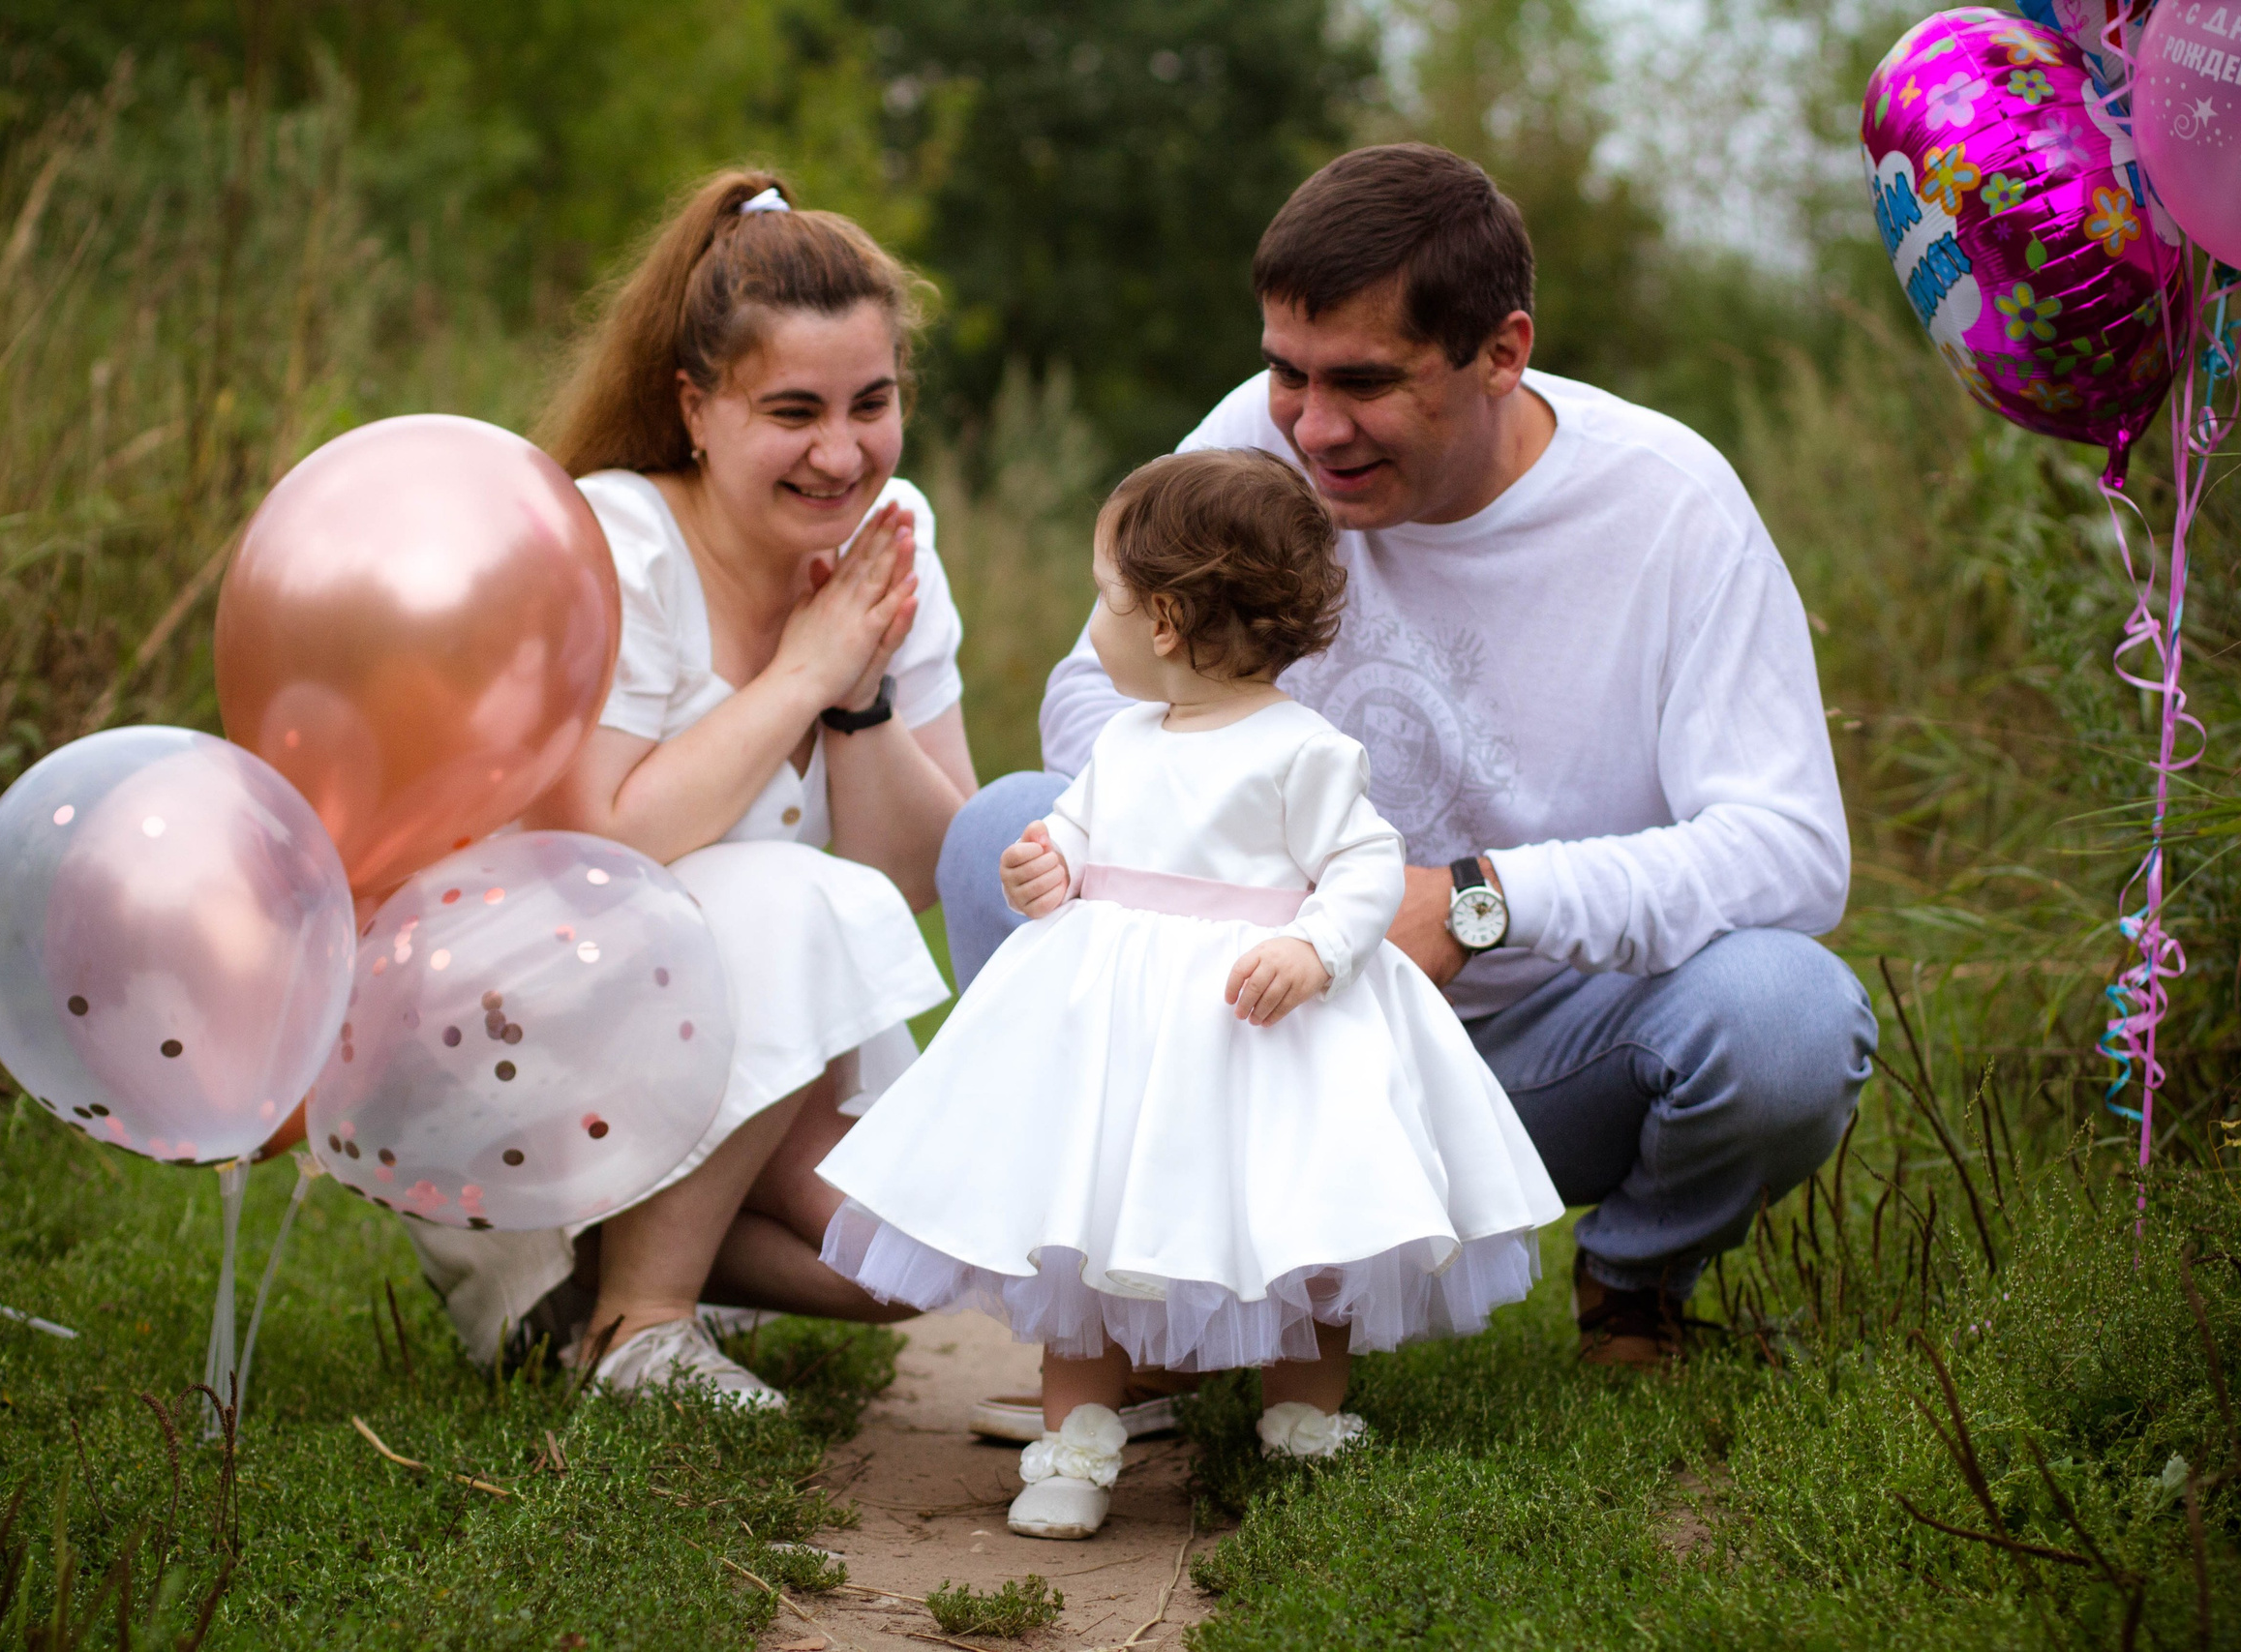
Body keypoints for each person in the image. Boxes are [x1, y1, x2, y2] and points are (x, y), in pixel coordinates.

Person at [940, 142, 1879, 1387]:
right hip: (1249, 1033)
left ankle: (1634, 1283)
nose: (1313, 430)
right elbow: (1088, 692)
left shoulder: (1669, 508)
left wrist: (1479, 903)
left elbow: (1789, 852)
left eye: (1365, 383)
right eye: (1287, 372)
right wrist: (1225, 856)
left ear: (1502, 351)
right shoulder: (1253, 442)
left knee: (1788, 1019)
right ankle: (1139, 1307)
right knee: (999, 828)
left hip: (1529, 1064)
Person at [817, 449, 1563, 1540]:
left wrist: (1315, 949)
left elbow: (1362, 868)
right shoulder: (1123, 741)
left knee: (1303, 1232)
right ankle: (1077, 1442)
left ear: (1163, 620)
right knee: (1087, 1243)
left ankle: (1302, 1418)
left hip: (1255, 1028)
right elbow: (1075, 832)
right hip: (1123, 1038)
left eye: (1105, 597)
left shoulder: (1305, 751)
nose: (1098, 620)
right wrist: (1048, 864)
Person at [397, 170, 977, 1402]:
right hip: (546, 1025)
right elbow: (600, 853)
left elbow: (918, 873)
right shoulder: (619, 543)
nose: (841, 452)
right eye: (792, 410)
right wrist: (801, 676)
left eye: (872, 404)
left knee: (917, 1259)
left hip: (757, 1040)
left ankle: (636, 1265)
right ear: (697, 408)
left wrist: (861, 695)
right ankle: (635, 1326)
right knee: (781, 888)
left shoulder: (889, 532)